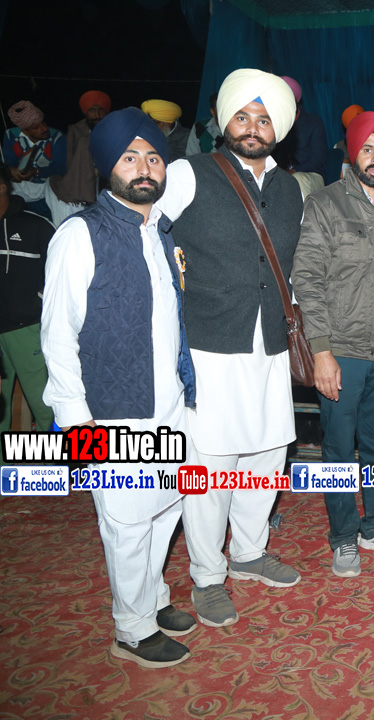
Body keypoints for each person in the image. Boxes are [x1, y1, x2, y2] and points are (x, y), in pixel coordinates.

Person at [40, 108, 196, 667]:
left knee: (165, 509)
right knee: (126, 522)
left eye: (153, 157)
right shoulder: (79, 234)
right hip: (109, 411)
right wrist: (74, 421)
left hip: (168, 404)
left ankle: (150, 600)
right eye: (130, 157)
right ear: (108, 167)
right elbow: (57, 334)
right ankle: (131, 630)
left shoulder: (162, 234)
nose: (144, 167)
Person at [157, 68, 304, 627]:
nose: (252, 127)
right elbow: (146, 232)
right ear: (224, 121)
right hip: (210, 341)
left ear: (278, 129)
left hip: (271, 342)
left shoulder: (291, 188)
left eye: (263, 119)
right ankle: (207, 575)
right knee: (212, 461)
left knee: (267, 453)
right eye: (242, 116)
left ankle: (248, 552)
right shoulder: (188, 173)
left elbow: (291, 267)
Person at [292, 111, 374, 577]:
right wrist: (321, 350)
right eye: (368, 149)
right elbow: (306, 278)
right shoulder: (325, 204)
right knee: (339, 449)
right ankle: (344, 536)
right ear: (352, 152)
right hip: (340, 349)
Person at [0, 164, 55, 434]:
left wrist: (37, 304)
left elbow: (61, 274)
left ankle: (51, 456)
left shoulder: (36, 225)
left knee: (44, 405)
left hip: (25, 329)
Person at [46, 91, 111, 226]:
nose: (97, 115)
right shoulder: (76, 130)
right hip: (80, 175)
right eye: (92, 110)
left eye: (101, 110)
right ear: (86, 112)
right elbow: (70, 160)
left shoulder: (113, 128)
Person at [3, 100, 66, 219]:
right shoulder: (10, 136)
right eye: (36, 127)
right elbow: (9, 162)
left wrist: (35, 171)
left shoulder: (57, 137)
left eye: (43, 122)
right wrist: (13, 171)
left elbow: (61, 168)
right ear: (24, 130)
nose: (44, 128)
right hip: (23, 187)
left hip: (49, 186)